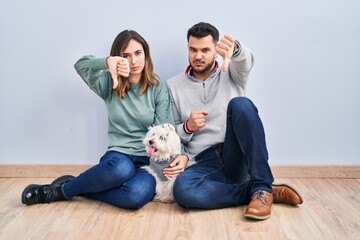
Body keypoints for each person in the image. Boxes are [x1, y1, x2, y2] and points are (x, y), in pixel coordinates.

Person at [21, 30, 188, 209]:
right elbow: (81, 65)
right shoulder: (109, 83)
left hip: (147, 160)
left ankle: (83, 186)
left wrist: (183, 155)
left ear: (146, 54)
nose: (133, 61)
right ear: (118, 58)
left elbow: (167, 128)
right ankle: (58, 191)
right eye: (126, 55)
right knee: (122, 170)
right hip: (119, 155)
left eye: (138, 53)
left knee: (134, 196)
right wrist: (107, 62)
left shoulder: (157, 88)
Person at [164, 22, 303, 220]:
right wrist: (187, 127)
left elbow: (246, 62)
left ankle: (262, 186)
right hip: (202, 161)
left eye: (205, 50)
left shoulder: (233, 74)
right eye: (193, 50)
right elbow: (173, 136)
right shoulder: (173, 85)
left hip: (234, 153)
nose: (198, 56)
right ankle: (258, 192)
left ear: (215, 50)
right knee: (183, 191)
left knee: (241, 104)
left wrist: (236, 49)